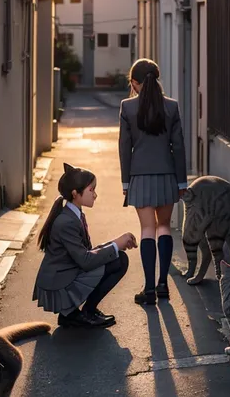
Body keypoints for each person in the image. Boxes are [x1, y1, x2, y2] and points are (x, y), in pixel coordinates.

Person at [33, 163, 137, 328]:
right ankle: (80, 313)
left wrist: (116, 243)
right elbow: (86, 260)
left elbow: (86, 253)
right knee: (118, 260)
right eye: (91, 190)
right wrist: (116, 245)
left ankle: (78, 313)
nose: (95, 195)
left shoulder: (74, 214)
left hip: (68, 274)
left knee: (119, 258)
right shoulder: (66, 221)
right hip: (60, 285)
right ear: (75, 193)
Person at [119, 58, 187, 305]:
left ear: (135, 83)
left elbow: (125, 148)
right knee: (164, 227)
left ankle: (148, 289)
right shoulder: (172, 107)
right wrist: (181, 182)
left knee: (147, 229)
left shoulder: (127, 107)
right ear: (156, 80)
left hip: (139, 176)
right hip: (167, 175)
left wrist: (125, 182)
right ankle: (163, 285)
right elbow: (178, 146)